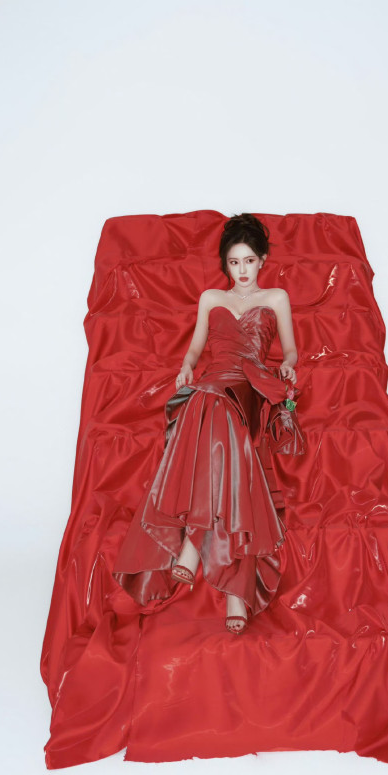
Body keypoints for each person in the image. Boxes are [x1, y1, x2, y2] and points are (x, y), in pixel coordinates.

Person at [111, 213, 305, 633]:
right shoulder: (210, 298)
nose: (242, 271)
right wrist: (186, 368)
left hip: (249, 385)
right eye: (234, 263)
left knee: (214, 410)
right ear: (225, 264)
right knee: (212, 414)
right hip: (213, 385)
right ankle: (236, 596)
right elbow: (195, 349)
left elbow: (290, 350)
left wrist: (288, 366)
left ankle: (191, 548)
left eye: (249, 261)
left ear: (262, 260)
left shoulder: (276, 298)